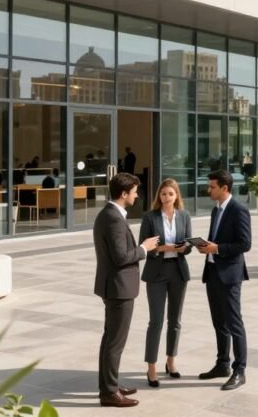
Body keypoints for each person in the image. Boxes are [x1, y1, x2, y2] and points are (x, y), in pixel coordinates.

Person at [93, 173, 160, 407]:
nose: (137, 195)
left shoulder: (109, 214)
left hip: (115, 286)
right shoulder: (113, 218)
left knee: (110, 340)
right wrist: (144, 248)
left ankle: (109, 385)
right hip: (118, 288)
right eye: (134, 192)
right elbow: (121, 257)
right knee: (115, 343)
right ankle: (109, 393)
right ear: (123, 194)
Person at [196, 170, 251, 391]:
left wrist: (217, 248)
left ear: (225, 188)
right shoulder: (216, 209)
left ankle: (240, 370)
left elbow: (245, 244)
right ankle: (222, 364)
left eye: (212, 187)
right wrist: (206, 247)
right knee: (219, 322)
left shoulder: (239, 210)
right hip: (212, 273)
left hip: (229, 276)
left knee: (234, 323)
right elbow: (216, 239)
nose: (208, 190)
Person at [138, 179, 193, 387]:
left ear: (176, 195)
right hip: (156, 273)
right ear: (159, 196)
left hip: (178, 272)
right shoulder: (150, 217)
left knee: (175, 320)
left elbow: (188, 244)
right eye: (163, 194)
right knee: (156, 321)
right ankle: (151, 367)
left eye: (170, 194)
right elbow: (144, 246)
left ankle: (171, 360)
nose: (167, 197)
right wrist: (166, 248)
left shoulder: (184, 216)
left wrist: (184, 247)